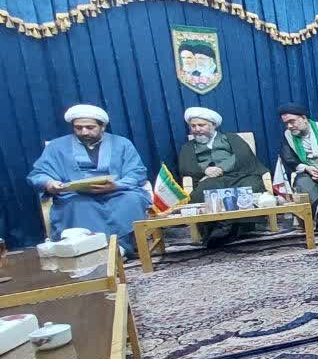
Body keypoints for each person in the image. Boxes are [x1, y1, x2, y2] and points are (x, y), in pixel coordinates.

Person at [28, 104, 150, 253]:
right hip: (76, 196)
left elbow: (137, 172)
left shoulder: (122, 143)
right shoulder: (56, 147)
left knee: (131, 200)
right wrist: (49, 183)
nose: (84, 132)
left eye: (90, 127)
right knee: (78, 206)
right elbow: (39, 174)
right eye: (78, 128)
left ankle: (121, 248)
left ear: (102, 126)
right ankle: (95, 250)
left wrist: (116, 185)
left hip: (118, 192)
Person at [176, 107, 269, 246]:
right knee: (204, 192)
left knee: (251, 186)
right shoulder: (188, 147)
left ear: (213, 125)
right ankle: (222, 228)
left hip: (238, 175)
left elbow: (244, 156)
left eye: (201, 125)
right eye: (193, 126)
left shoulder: (231, 138)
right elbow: (185, 167)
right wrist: (205, 170)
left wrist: (221, 168)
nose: (197, 129)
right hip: (210, 179)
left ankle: (235, 227)